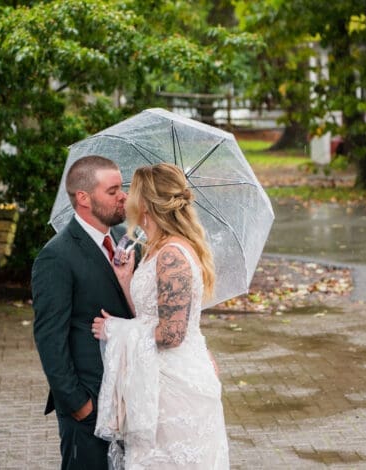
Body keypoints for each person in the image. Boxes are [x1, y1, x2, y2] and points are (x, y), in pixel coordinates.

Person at [91, 162, 229, 469]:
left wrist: (115, 331)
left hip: (175, 387)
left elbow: (170, 334)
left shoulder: (171, 255)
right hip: (157, 380)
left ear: (146, 203)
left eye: (132, 193)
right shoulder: (156, 249)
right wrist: (127, 280)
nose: (126, 199)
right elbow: (151, 314)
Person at [32, 155, 134, 470]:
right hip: (89, 401)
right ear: (84, 198)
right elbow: (50, 337)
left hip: (128, 395)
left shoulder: (124, 241)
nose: (124, 197)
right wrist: (78, 404)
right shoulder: (56, 257)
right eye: (113, 190)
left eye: (123, 188)